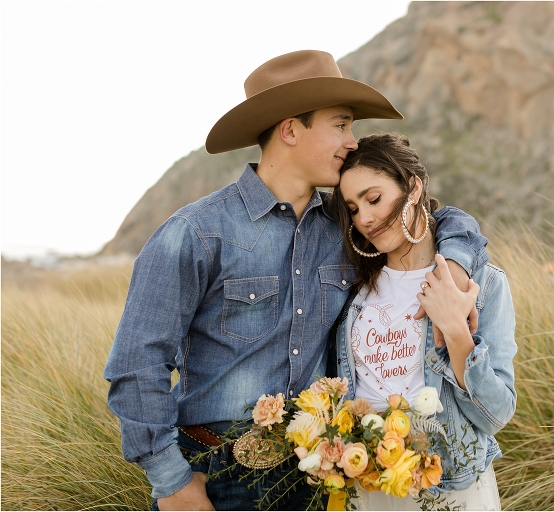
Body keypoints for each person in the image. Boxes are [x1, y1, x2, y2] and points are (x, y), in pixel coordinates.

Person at [103, 50, 489, 511]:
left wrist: (458, 269)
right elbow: (135, 364)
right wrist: (171, 482)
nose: (352, 141)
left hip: (316, 476)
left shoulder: (346, 226)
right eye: (340, 125)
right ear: (290, 130)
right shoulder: (197, 233)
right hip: (214, 478)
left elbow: (434, 215)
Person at [330, 132, 517, 510]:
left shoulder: (483, 284)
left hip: (447, 484)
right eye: (352, 208)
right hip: (367, 486)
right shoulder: (352, 289)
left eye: (374, 198)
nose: (364, 218)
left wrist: (455, 329)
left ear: (413, 188)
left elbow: (496, 414)